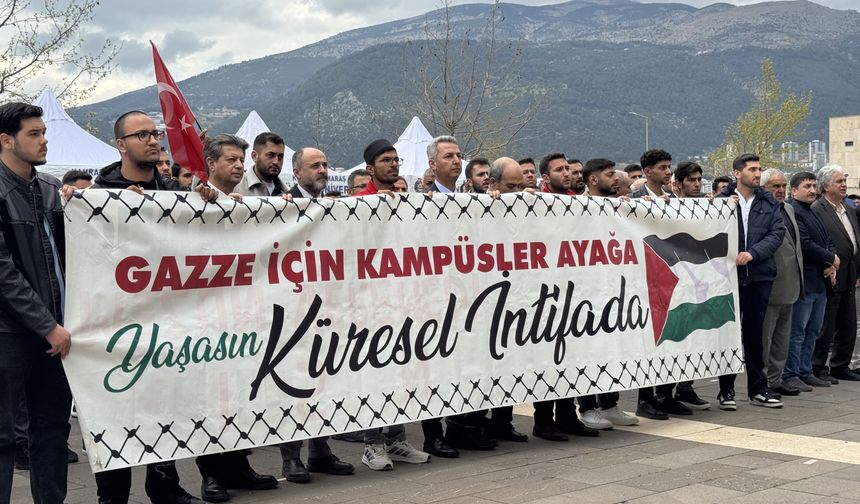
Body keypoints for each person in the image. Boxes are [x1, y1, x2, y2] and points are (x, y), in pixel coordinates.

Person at [91, 110, 208, 504]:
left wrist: (213, 200)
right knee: (117, 411)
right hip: (116, 324)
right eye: (140, 134)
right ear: (120, 144)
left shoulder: (174, 193)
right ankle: (112, 495)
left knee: (166, 405)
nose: (153, 140)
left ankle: (165, 487)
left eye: (155, 132)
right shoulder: (96, 196)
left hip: (169, 321)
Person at [0, 102, 73, 504]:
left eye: (44, 132)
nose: (44, 140)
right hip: (10, 331)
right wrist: (46, 323)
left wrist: (121, 204)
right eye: (34, 133)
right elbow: (3, 272)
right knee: (4, 435)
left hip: (54, 332)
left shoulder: (49, 189)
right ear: (6, 140)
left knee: (52, 430)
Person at [351, 139, 433, 471]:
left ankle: (396, 437)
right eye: (386, 160)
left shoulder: (407, 203)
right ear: (371, 168)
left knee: (402, 372)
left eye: (396, 160)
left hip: (404, 300)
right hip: (372, 302)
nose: (394, 165)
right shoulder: (358, 204)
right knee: (375, 373)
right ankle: (372, 444)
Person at [279, 147, 355, 482]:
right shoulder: (282, 206)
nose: (322, 170)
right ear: (296, 173)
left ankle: (320, 451)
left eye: (325, 164)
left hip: (328, 305)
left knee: (323, 379)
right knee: (292, 383)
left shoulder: (333, 206)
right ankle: (291, 456)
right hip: (293, 308)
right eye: (315, 165)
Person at [717, 153, 785, 410]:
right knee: (728, 333)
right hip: (728, 278)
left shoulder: (768, 202)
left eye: (759, 169)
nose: (757, 174)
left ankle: (758, 388)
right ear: (737, 173)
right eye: (752, 170)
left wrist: (754, 253)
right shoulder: (720, 201)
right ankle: (726, 390)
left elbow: (777, 233)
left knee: (756, 334)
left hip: (759, 275)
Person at [577, 159, 640, 429]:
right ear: (593, 179)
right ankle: (588, 407)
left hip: (614, 290)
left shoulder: (619, 207)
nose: (616, 179)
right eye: (610, 175)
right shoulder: (574, 208)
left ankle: (610, 404)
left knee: (612, 349)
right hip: (584, 292)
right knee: (587, 351)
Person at [783, 172, 837, 391]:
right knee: (797, 332)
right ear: (794, 190)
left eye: (814, 186)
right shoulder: (793, 211)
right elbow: (804, 244)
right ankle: (791, 373)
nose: (813, 190)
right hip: (804, 281)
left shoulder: (813, 211)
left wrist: (832, 261)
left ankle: (806, 371)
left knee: (813, 330)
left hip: (820, 281)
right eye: (807, 186)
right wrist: (830, 258)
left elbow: (828, 240)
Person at [668, 162, 711, 411]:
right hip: (675, 281)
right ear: (679, 184)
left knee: (695, 337)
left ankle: (686, 386)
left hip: (698, 282)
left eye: (699, 180)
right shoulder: (667, 207)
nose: (696, 184)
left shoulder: (707, 207)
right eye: (691, 180)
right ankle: (667, 392)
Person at [811, 165, 860, 382]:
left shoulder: (848, 208)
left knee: (848, 324)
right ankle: (818, 367)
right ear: (825, 185)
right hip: (828, 274)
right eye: (838, 181)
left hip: (849, 274)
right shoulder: (817, 209)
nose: (843, 185)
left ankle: (841, 364)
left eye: (844, 181)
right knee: (826, 325)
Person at [760, 169, 804, 397]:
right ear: (764, 187)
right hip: (770, 284)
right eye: (775, 186)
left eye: (783, 185)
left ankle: (776, 379)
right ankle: (763, 381)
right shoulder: (759, 212)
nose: (780, 190)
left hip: (791, 283)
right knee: (766, 338)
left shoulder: (787, 208)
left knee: (781, 338)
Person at [235, 132, 287, 196]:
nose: (276, 161)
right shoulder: (235, 187)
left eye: (280, 156)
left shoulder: (287, 193)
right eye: (270, 155)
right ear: (254, 156)